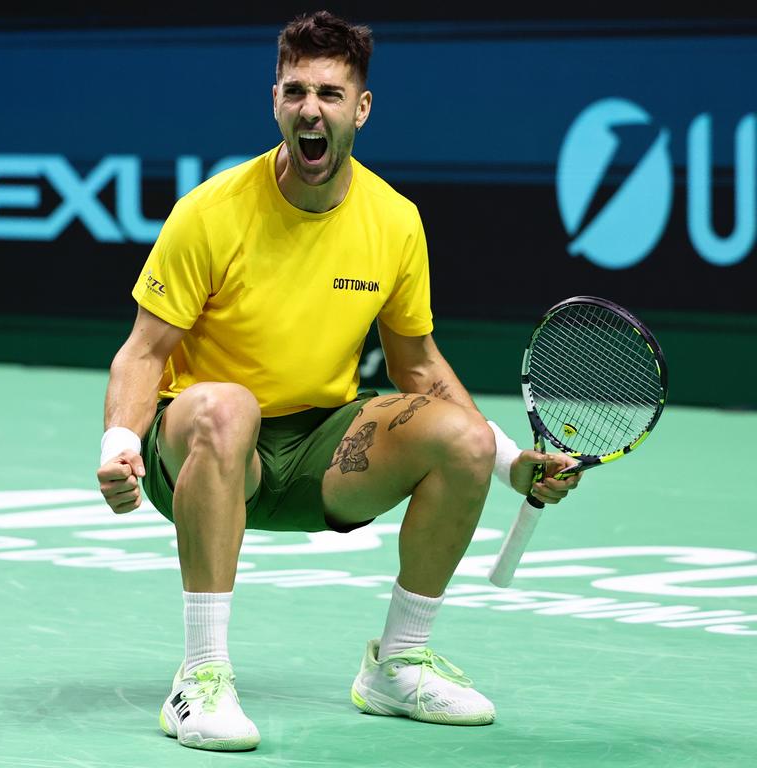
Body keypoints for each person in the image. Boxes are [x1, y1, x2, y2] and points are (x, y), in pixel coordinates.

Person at [96, 10, 581, 752]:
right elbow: (141, 351)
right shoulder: (213, 211)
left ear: (361, 108)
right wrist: (121, 441)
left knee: (461, 437)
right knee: (228, 406)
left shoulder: (394, 221)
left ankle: (398, 664)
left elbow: (416, 362)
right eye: (295, 92)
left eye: (329, 92)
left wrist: (511, 459)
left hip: (323, 446)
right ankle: (200, 678)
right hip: (206, 447)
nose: (310, 109)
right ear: (275, 102)